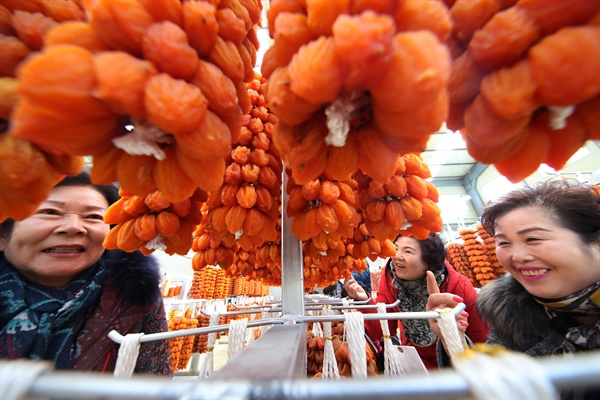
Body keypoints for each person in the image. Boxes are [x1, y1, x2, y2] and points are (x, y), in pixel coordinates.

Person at [426, 180, 600, 396]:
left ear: (595, 240)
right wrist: (454, 338)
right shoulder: (511, 318)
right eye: (504, 243)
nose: (517, 257)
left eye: (533, 238)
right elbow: (492, 388)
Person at [0, 172, 172, 374]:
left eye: (93, 217)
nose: (73, 227)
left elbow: (154, 381)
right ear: (3, 234)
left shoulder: (137, 298)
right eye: (49, 212)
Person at [345, 232, 489, 370]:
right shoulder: (390, 279)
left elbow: (482, 340)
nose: (397, 256)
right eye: (396, 249)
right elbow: (383, 329)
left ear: (428, 262)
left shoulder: (459, 286)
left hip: (454, 364)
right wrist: (364, 300)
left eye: (407, 251)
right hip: (414, 363)